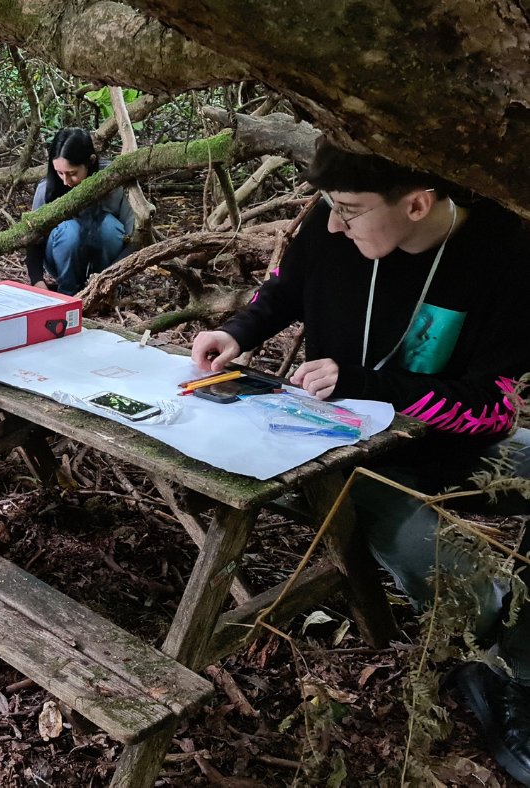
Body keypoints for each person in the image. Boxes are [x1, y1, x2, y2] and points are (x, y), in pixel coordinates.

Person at [191, 139, 530, 785]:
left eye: (349, 209)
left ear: (418, 203)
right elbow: (288, 290)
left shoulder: (504, 248)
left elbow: (494, 407)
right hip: (345, 454)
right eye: (331, 207)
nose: (334, 223)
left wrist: (370, 383)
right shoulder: (330, 221)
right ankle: (499, 664)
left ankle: (514, 669)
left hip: (457, 442)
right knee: (457, 573)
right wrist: (237, 332)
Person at [25, 128, 135, 296]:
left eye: (72, 173)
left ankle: (106, 291)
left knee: (108, 226)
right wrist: (37, 281)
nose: (65, 181)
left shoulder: (116, 182)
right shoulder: (47, 188)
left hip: (108, 263)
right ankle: (68, 292)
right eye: (59, 172)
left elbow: (134, 238)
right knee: (69, 231)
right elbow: (33, 240)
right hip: (63, 257)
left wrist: (112, 276)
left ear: (91, 161)